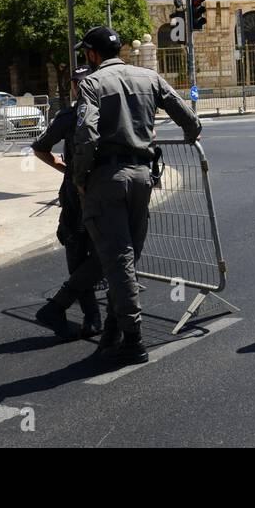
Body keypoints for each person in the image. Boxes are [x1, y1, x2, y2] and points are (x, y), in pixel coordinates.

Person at [73, 26, 201, 364]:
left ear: (91, 54)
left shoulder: (91, 83)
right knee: (127, 258)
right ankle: (114, 333)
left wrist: (80, 176)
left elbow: (86, 133)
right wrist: (190, 136)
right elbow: (189, 118)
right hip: (142, 177)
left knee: (118, 261)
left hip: (106, 178)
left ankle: (133, 339)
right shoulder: (149, 77)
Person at [32, 68, 103, 341]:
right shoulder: (75, 116)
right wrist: (67, 170)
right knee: (84, 252)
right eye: (78, 83)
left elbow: (40, 149)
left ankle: (74, 310)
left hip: (84, 191)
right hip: (83, 194)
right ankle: (91, 317)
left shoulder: (74, 115)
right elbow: (40, 148)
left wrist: (67, 169)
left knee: (89, 254)